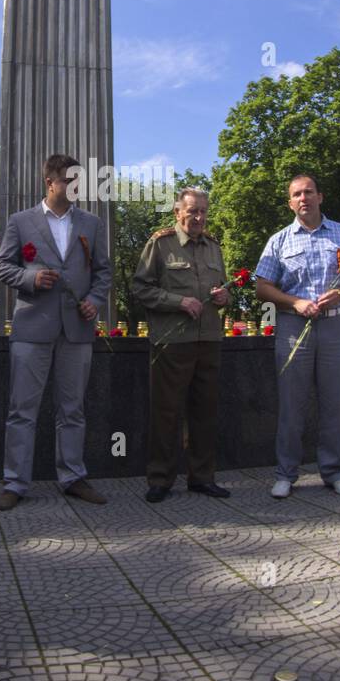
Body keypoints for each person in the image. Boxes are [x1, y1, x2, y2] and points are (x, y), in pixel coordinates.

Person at [0, 153, 112, 510]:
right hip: (32, 327)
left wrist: (95, 299)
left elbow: (103, 271)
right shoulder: (21, 221)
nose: (76, 187)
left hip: (77, 329)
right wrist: (30, 277)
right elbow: (2, 266)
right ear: (50, 182)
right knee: (22, 410)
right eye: (70, 181)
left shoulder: (91, 223)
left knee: (72, 409)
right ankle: (15, 482)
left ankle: (73, 477)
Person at [254, 174, 340, 498]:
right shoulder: (279, 240)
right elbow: (262, 287)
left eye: (308, 192)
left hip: (336, 323)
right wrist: (295, 302)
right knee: (292, 402)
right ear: (290, 202)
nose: (303, 198)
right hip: (294, 325)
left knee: (334, 401)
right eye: (296, 194)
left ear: (320, 197)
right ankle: (285, 473)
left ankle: (333, 471)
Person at [132, 188, 231, 503]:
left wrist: (225, 297)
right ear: (178, 212)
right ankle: (160, 479)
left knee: (205, 411)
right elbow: (140, 288)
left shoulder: (214, 247)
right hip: (172, 342)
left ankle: (202, 477)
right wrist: (178, 301)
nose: (199, 217)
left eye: (203, 211)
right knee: (166, 412)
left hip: (209, 339)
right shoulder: (160, 244)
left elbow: (224, 289)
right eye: (192, 211)